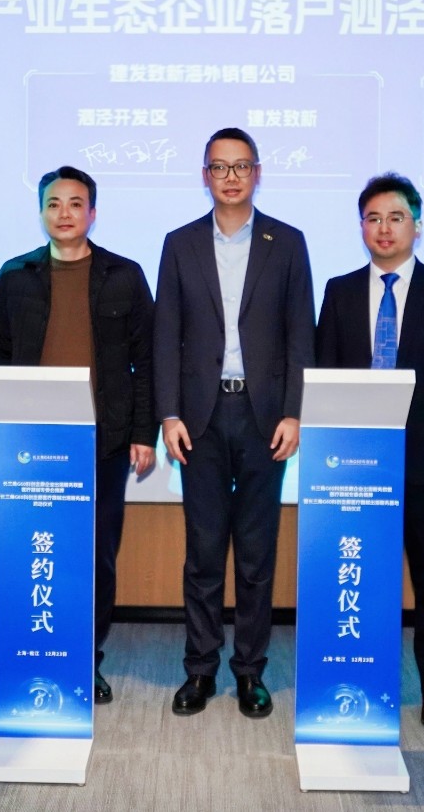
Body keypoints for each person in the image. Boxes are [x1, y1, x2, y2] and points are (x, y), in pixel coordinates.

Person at [154, 127, 315, 718]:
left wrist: (295, 411)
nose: (230, 176)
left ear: (257, 173)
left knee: (254, 553)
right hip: (198, 417)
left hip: (262, 416)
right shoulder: (179, 243)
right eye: (219, 167)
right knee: (202, 552)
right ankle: (200, 669)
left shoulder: (287, 242)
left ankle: (250, 671)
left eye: (240, 166)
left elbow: (301, 333)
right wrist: (168, 413)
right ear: (205, 175)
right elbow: (166, 334)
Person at [0, 165, 157, 705]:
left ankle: (85, 657)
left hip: (103, 441)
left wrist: (143, 433)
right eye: (54, 204)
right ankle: (34, 650)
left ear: (93, 212)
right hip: (32, 444)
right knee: (34, 550)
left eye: (76, 204)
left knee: (95, 555)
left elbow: (146, 362)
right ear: (41, 212)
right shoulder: (15, 276)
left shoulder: (124, 275)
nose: (65, 213)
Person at [314, 172, 424, 727]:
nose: (384, 228)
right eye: (373, 218)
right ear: (361, 226)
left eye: (396, 217)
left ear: (416, 225)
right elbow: (324, 377)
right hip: (353, 464)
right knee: (358, 572)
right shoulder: (339, 291)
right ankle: (359, 675)